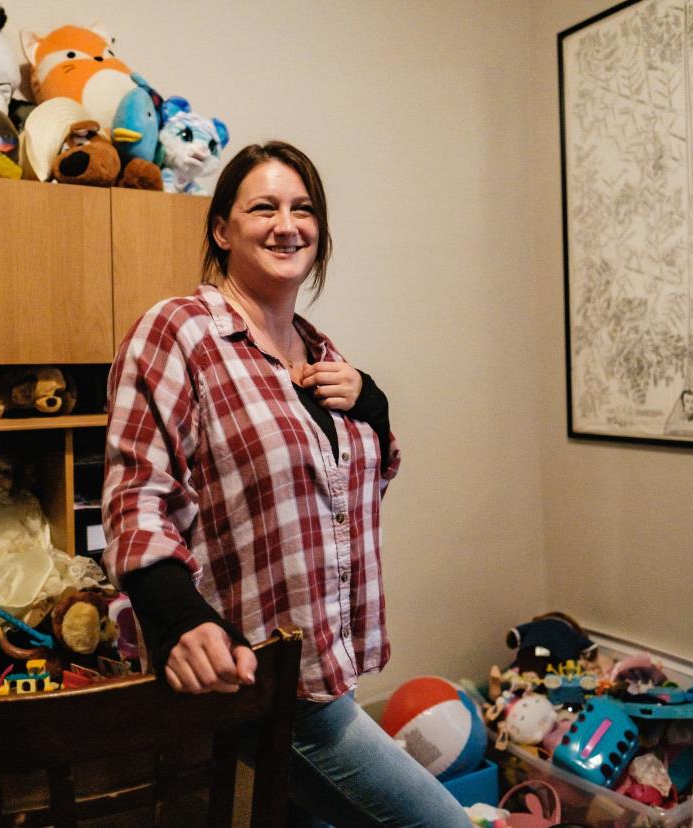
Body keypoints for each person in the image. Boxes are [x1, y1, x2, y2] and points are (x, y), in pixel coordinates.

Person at [102, 141, 471, 827]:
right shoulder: (181, 331)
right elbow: (136, 494)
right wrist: (175, 615)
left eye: (303, 209)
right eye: (263, 207)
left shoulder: (322, 352)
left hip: (332, 667)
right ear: (223, 229)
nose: (287, 224)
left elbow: (347, 494)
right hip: (258, 681)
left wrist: (374, 407)